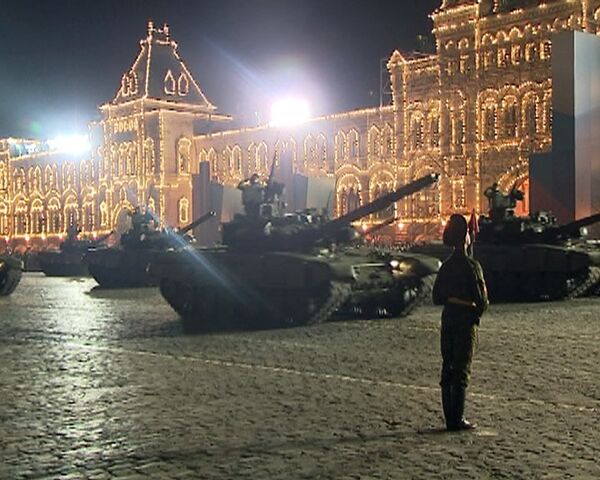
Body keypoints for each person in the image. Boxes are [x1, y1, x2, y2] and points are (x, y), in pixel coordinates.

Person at [432, 214, 489, 431]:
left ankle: (450, 418)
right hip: (465, 320)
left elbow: (436, 297)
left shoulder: (446, 266)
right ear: (466, 237)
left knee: (448, 367)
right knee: (462, 370)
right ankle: (457, 419)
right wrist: (477, 312)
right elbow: (481, 300)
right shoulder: (471, 266)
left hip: (449, 318)